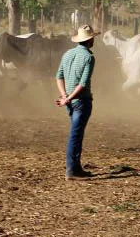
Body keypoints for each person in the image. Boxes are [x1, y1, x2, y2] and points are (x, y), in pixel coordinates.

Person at [55, 24, 99, 181]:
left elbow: (59, 76)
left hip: (69, 102)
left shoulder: (68, 54)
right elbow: (83, 83)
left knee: (76, 133)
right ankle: (72, 170)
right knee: (76, 135)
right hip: (81, 101)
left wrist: (64, 96)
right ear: (90, 40)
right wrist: (69, 97)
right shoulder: (89, 57)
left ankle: (76, 167)